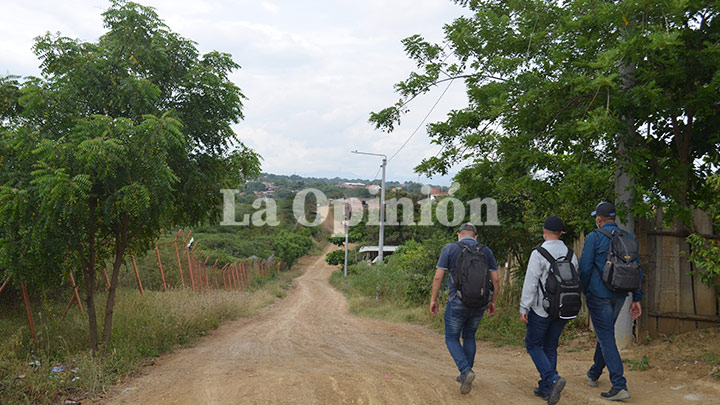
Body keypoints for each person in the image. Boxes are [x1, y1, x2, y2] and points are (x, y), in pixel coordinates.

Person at [579, 202, 643, 401]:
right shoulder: (629, 238)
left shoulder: (594, 237)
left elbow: (585, 268)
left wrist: (582, 290)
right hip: (620, 294)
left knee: (605, 336)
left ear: (599, 219)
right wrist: (636, 299)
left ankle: (619, 384)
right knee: (604, 333)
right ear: (613, 218)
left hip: (599, 295)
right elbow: (637, 270)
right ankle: (594, 373)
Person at [430, 222, 500, 395]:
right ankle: (465, 373)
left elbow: (438, 277)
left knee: (452, 338)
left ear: (459, 234)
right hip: (480, 302)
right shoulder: (486, 251)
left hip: (457, 301)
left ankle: (465, 371)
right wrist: (493, 302)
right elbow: (496, 280)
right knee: (469, 336)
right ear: (475, 237)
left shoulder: (450, 249)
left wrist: (433, 300)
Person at [519, 216, 576, 404]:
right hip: (563, 309)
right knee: (551, 345)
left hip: (541, 310)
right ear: (561, 233)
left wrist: (524, 307)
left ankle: (552, 379)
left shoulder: (539, 253)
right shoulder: (570, 253)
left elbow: (531, 282)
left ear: (544, 231)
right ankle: (545, 389)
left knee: (533, 345)